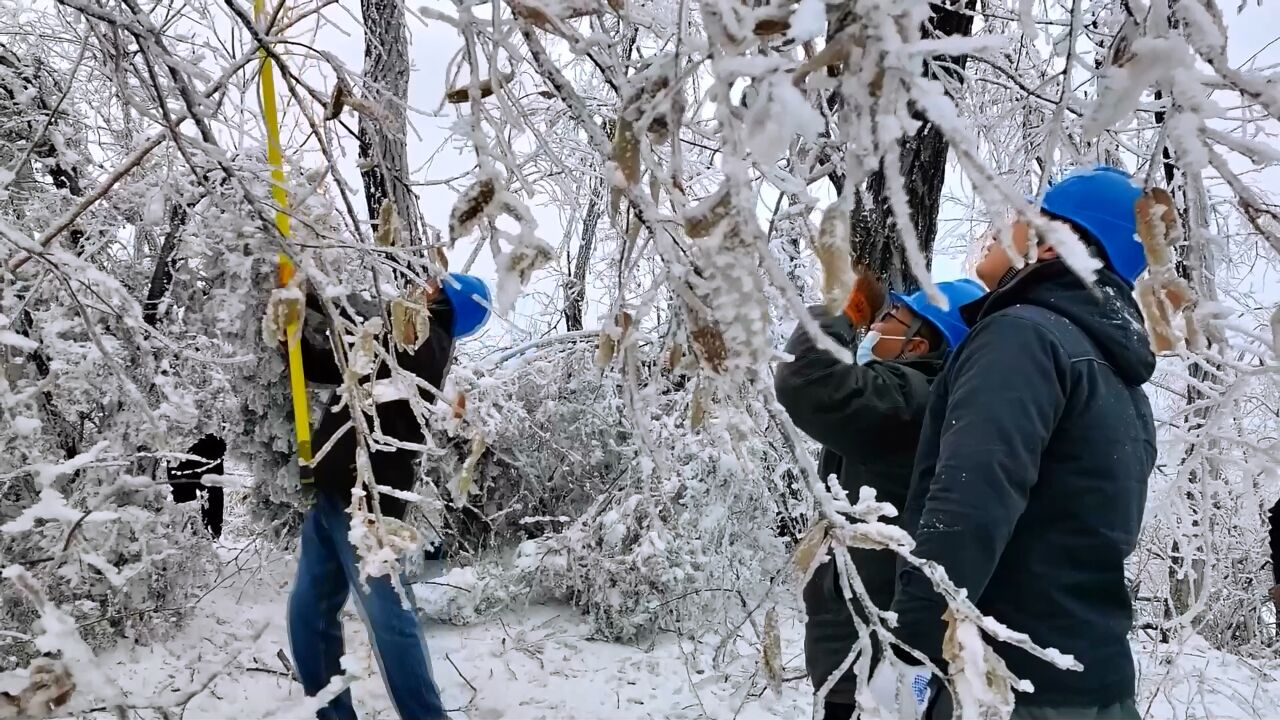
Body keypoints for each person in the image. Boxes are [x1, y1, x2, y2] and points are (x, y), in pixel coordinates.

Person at [891, 166, 1157, 719]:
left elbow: (968, 506)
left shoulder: (1023, 335)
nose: (1005, 227)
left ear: (1054, 242)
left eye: (1025, 217)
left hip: (1003, 684)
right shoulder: (1118, 371)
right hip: (1093, 679)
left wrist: (909, 648)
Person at [774, 276, 985, 720]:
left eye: (891, 318)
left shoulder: (913, 396)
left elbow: (809, 380)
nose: (874, 325)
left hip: (876, 647)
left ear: (916, 347)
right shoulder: (921, 400)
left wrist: (841, 313)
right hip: (873, 647)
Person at [286, 272, 491, 720]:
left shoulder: (424, 343)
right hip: (333, 493)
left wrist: (316, 289)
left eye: (436, 287)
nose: (423, 287)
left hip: (367, 501)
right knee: (309, 615)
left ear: (449, 303)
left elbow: (358, 322)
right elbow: (325, 364)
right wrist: (294, 331)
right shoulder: (400, 341)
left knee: (390, 619)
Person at [168, 433, 227, 539]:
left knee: (208, 495)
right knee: (210, 494)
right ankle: (206, 533)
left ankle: (204, 534)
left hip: (193, 447)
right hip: (193, 448)